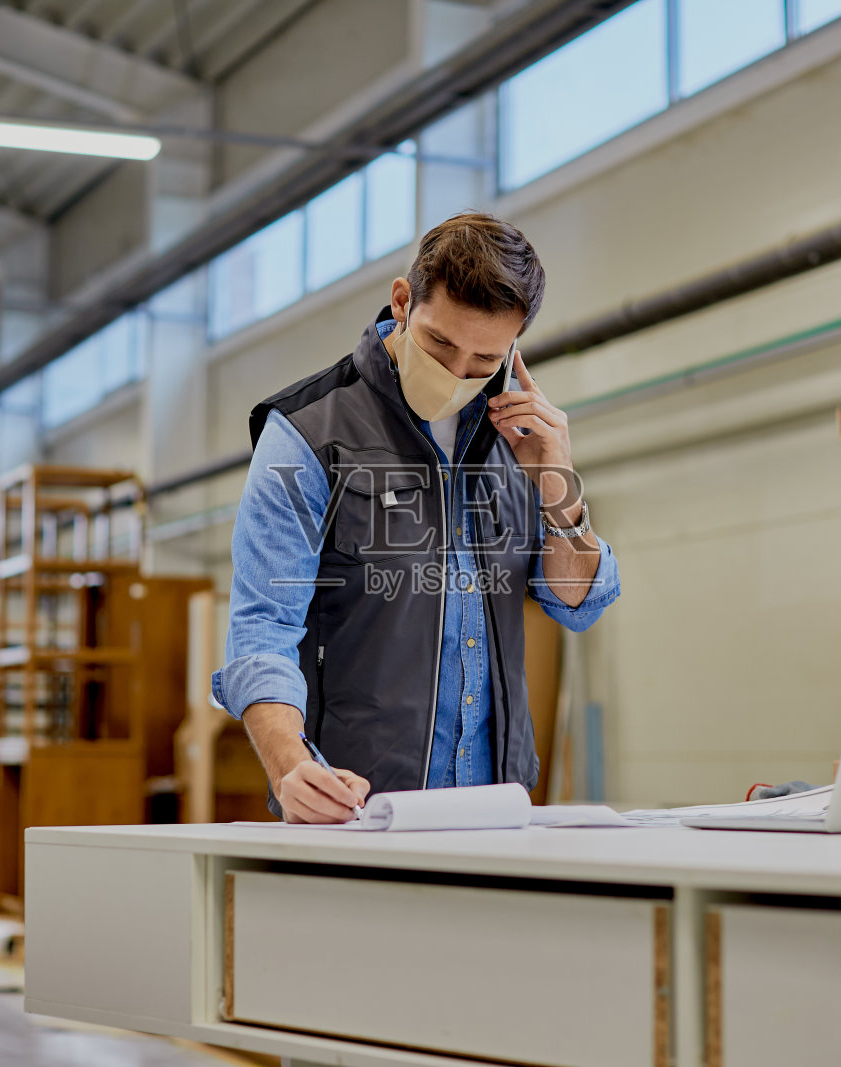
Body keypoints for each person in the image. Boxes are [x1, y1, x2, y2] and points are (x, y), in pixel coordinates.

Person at [211, 212, 621, 823]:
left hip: (495, 813)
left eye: (485, 357)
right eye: (439, 345)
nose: (458, 374)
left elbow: (576, 603)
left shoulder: (520, 438)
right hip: (357, 811)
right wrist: (289, 764)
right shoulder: (308, 434)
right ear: (402, 301)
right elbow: (262, 628)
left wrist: (556, 483)